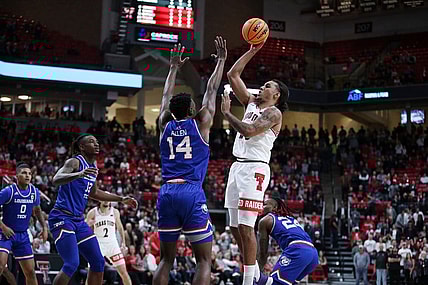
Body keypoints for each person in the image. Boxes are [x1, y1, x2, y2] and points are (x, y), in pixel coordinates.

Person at [153, 37, 227, 285]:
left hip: (167, 192)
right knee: (204, 260)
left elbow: (165, 96)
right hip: (190, 191)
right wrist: (221, 62)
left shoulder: (164, 123)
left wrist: (173, 68)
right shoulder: (201, 123)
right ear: (192, 109)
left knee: (165, 259)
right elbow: (212, 91)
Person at [221, 40, 289, 285]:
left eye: (268, 85)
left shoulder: (274, 113)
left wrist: (227, 114)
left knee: (247, 226)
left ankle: (250, 279)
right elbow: (233, 74)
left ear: (276, 95)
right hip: (237, 166)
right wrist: (252, 51)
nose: (263, 86)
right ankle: (256, 272)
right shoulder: (252, 102)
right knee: (234, 227)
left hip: (255, 169)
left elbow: (249, 130)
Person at [48, 134, 138, 285]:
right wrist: (78, 174)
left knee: (98, 263)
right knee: (71, 264)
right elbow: (56, 179)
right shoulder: (75, 162)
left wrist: (121, 199)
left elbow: (94, 193)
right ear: (82, 147)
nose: (96, 144)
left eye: (97, 141)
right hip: (62, 217)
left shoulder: (94, 167)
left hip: (78, 220)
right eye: (91, 142)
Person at [0, 163, 48, 285]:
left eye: (29, 173)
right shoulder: (8, 191)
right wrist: (3, 227)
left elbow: (37, 210)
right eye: (24, 173)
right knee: (1, 266)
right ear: (16, 176)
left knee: (30, 272)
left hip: (22, 236)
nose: (27, 175)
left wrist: (44, 227)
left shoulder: (34, 192)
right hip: (6, 234)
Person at [255, 198, 318, 285]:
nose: (262, 207)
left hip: (297, 250)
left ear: (275, 208)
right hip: (313, 254)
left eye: (265, 204)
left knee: (274, 283)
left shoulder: (265, 220)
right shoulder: (290, 218)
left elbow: (263, 253)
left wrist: (256, 271)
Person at [86, 201, 132, 285]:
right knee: (91, 275)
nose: (106, 201)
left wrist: (123, 243)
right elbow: (84, 228)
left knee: (124, 273)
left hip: (112, 245)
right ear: (100, 200)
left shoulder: (114, 212)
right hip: (98, 245)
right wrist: (88, 224)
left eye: (108, 199)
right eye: (104, 199)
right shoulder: (93, 212)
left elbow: (120, 227)